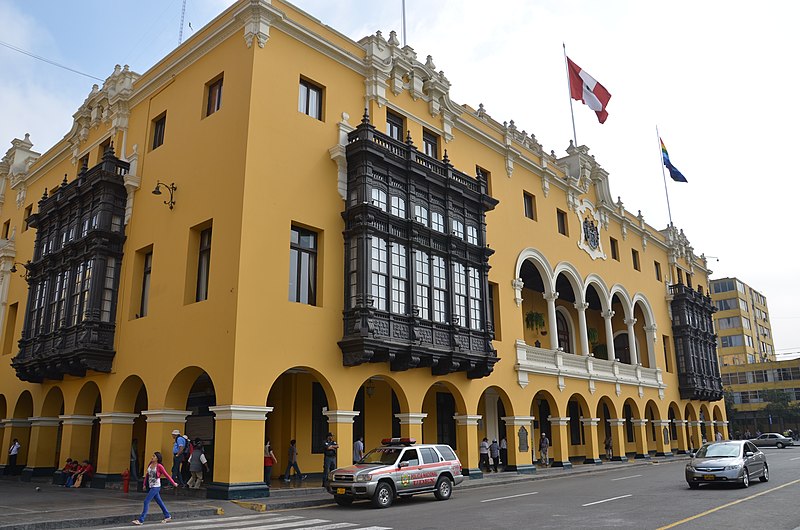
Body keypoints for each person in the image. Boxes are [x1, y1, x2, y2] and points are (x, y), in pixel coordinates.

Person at [132, 451, 177, 525]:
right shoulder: (150, 464)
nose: (152, 457)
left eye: (154, 456)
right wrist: (144, 484)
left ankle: (141, 520)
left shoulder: (159, 466)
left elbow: (166, 475)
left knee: (146, 501)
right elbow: (147, 475)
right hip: (150, 486)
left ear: (158, 458)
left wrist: (173, 483)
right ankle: (167, 515)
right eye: (152, 456)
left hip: (156, 486)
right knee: (159, 502)